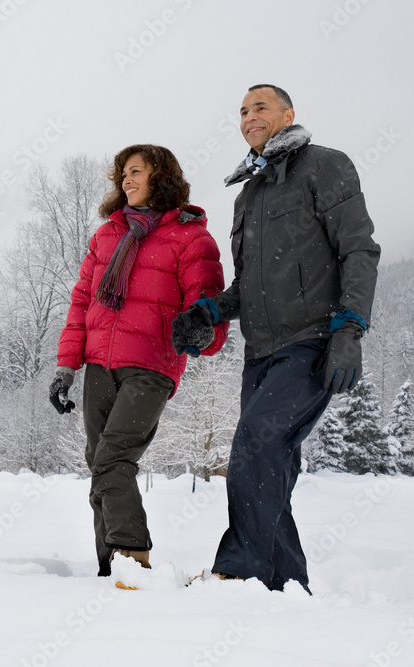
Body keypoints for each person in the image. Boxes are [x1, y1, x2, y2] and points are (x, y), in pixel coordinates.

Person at [172, 85, 380, 592]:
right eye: (242, 111)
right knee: (271, 464)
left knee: (253, 446)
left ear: (288, 114)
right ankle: (286, 587)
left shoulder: (323, 166)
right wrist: (211, 309)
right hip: (260, 351)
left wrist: (350, 327)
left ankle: (237, 573)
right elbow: (251, 284)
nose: (248, 116)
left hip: (313, 340)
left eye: (259, 107)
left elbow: (359, 248)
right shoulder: (249, 195)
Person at [50, 144, 229, 577]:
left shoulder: (190, 237)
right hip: (98, 364)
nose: (125, 180)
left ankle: (133, 556)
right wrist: (66, 366)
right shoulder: (108, 235)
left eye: (135, 172)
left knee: (113, 457)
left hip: (150, 365)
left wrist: (204, 333)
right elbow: (82, 303)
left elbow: (208, 306)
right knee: (101, 463)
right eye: (121, 174)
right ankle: (108, 569)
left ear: (160, 176)